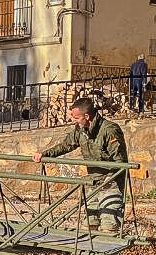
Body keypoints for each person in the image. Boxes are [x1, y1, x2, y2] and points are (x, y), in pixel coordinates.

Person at [32, 95, 129, 234]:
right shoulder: (80, 130)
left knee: (109, 226)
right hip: (93, 182)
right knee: (89, 225)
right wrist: (44, 154)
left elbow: (120, 160)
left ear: (87, 116)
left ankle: (109, 247)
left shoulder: (109, 130)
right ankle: (93, 248)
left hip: (111, 183)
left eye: (76, 118)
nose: (74, 121)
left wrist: (110, 178)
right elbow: (66, 145)